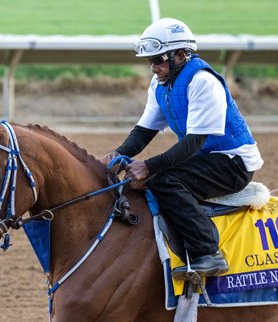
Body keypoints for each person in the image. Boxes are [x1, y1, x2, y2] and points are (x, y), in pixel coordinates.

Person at [101, 18, 263, 279]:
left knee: (165, 181)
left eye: (158, 60)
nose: (154, 68)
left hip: (233, 163)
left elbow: (192, 143)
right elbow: (144, 131)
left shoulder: (203, 82)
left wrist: (149, 166)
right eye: (150, 61)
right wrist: (120, 154)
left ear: (180, 55)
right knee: (143, 181)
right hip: (203, 159)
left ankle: (208, 253)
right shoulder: (160, 85)